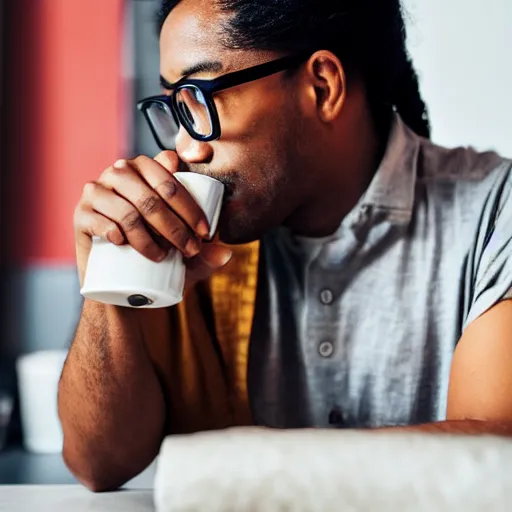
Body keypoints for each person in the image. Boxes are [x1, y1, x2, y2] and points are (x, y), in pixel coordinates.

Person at [58, 0, 512, 492]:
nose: (185, 150)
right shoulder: (186, 236)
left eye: (199, 98)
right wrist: (113, 281)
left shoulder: (493, 213)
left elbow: (494, 453)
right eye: (175, 108)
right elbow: (98, 466)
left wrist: (229, 471)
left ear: (322, 86)